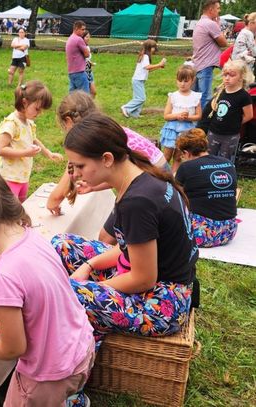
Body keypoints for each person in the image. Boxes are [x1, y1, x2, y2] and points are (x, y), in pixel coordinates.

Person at [0, 162, 95, 407]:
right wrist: (14, 321)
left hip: (47, 377)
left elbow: (13, 348)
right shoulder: (33, 237)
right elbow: (44, 299)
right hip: (80, 349)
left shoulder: (3, 276)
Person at [52, 113, 196, 344]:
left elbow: (144, 279)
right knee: (61, 245)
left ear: (107, 159)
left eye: (80, 166)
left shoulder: (137, 202)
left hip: (163, 301)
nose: (76, 174)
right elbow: (129, 248)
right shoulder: (141, 176)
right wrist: (88, 266)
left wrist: (92, 288)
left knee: (65, 293)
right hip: (140, 272)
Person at [47, 91, 169, 245]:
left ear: (68, 121)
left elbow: (55, 198)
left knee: (111, 238)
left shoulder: (85, 141)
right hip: (163, 174)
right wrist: (94, 187)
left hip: (151, 184)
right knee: (107, 236)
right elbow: (121, 174)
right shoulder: (107, 126)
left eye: (80, 166)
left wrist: (51, 204)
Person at [0, 81, 63, 202]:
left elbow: (33, 139)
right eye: (37, 109)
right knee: (11, 209)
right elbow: (0, 149)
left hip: (23, 177)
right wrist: (25, 153)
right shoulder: (11, 123)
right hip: (9, 178)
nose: (40, 113)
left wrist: (48, 153)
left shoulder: (28, 122)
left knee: (22, 204)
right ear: (24, 103)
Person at [175, 128, 238, 248]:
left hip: (201, 234)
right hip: (228, 231)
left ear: (186, 152)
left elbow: (176, 196)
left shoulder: (186, 167)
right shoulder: (228, 163)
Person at [206, 59, 253, 162]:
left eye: (232, 75)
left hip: (230, 135)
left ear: (241, 77)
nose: (227, 78)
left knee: (225, 160)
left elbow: (249, 115)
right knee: (209, 158)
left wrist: (234, 123)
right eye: (225, 75)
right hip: (213, 132)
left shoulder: (244, 96)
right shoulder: (220, 91)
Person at [160, 65, 202, 172]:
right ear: (176, 80)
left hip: (186, 131)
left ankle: (174, 177)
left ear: (192, 81)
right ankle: (162, 175)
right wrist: (177, 116)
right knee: (166, 156)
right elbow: (166, 116)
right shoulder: (173, 96)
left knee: (178, 157)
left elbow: (198, 116)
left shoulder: (195, 97)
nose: (182, 84)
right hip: (172, 128)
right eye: (180, 80)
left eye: (186, 81)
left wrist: (188, 117)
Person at [192, 0, 228, 108]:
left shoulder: (200, 22)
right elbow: (224, 43)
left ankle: (194, 117)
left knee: (196, 95)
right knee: (205, 97)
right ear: (211, 10)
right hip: (206, 65)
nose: (219, 11)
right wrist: (218, 25)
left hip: (198, 64)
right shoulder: (210, 24)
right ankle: (202, 118)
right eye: (218, 8)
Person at [121, 39, 166, 118]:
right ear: (149, 48)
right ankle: (126, 107)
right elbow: (147, 67)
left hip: (139, 80)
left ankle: (134, 113)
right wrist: (159, 64)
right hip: (137, 80)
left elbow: (148, 70)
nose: (154, 49)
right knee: (141, 98)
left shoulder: (144, 56)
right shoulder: (145, 56)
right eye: (153, 47)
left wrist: (159, 67)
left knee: (137, 98)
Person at [66, 21, 90, 93]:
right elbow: (87, 54)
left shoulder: (70, 38)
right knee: (84, 96)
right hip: (80, 72)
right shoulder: (79, 39)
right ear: (76, 28)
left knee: (73, 97)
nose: (84, 31)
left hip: (71, 72)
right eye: (82, 29)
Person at [82, 30, 96, 98]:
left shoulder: (87, 47)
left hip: (89, 70)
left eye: (89, 37)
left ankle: (89, 103)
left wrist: (91, 63)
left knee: (93, 92)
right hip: (83, 71)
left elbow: (87, 59)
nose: (88, 38)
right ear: (82, 38)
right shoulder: (81, 47)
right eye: (86, 37)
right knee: (86, 93)